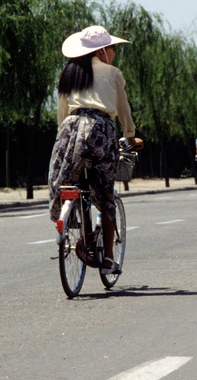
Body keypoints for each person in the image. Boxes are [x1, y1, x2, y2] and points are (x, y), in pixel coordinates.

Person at [49, 25, 143, 275]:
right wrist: (130, 135)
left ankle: (69, 222)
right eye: (112, 48)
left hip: (71, 131)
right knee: (105, 193)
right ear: (102, 50)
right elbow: (123, 111)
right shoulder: (112, 73)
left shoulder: (68, 74)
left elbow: (62, 114)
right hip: (101, 129)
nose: (113, 53)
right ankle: (109, 259)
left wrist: (65, 141)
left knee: (67, 183)